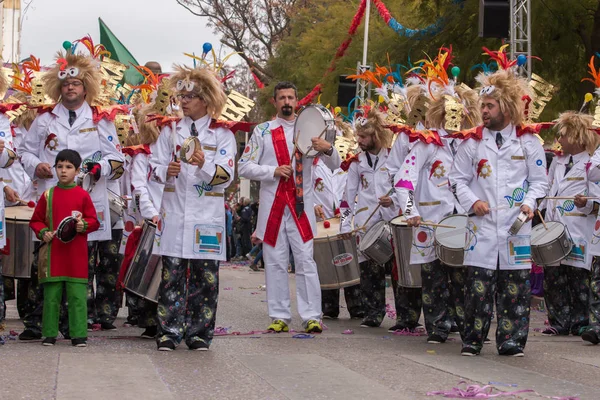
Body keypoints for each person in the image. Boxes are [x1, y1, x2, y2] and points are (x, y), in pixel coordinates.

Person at [19, 47, 125, 340]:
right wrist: (36, 164)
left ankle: (74, 322)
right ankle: (38, 322)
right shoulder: (43, 119)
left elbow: (118, 160)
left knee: (80, 264)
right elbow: (24, 151)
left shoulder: (100, 120)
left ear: (85, 87)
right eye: (65, 84)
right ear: (58, 86)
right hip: (51, 201)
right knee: (43, 262)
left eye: (75, 84)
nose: (70, 88)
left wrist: (96, 168)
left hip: (84, 201)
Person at [448, 67, 548, 357]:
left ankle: (511, 341)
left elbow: (540, 182)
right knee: (477, 289)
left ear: (506, 107)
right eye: (482, 106)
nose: (484, 111)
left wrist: (529, 204)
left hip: (516, 228)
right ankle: (473, 340)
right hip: (482, 228)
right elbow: (457, 180)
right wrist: (471, 201)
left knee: (515, 289)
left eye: (490, 106)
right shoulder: (472, 143)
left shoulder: (529, 142)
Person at [146, 64, 236, 351]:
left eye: (191, 96)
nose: (183, 101)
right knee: (171, 276)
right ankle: (168, 333)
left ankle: (199, 333)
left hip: (206, 218)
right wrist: (166, 170)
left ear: (206, 99)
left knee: (205, 279)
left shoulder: (223, 135)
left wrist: (203, 164)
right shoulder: (169, 131)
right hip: (174, 214)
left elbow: (227, 175)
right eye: (182, 96)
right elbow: (152, 166)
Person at [238, 81, 340, 333]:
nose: (286, 102)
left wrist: (327, 148)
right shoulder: (262, 131)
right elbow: (243, 166)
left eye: (291, 97)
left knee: (306, 261)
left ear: (297, 101)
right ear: (274, 102)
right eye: (282, 97)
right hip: (273, 207)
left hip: (301, 207)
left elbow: (336, 164)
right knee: (274, 262)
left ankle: (312, 316)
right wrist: (272, 170)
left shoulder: (312, 128)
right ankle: (279, 316)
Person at [395, 83, 481, 344]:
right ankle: (437, 327)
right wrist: (411, 210)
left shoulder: (473, 144)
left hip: (462, 223)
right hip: (430, 223)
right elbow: (403, 180)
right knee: (433, 278)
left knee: (462, 278)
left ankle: (465, 326)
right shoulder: (426, 144)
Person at [29, 149, 100, 347]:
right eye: (59, 166)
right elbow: (35, 220)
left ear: (77, 171)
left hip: (76, 256)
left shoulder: (83, 196)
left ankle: (78, 335)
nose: (63, 171)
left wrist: (83, 225)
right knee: (51, 297)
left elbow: (94, 221)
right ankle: (49, 334)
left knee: (78, 297)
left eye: (68, 167)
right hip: (54, 255)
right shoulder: (48, 195)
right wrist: (43, 232)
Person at [339, 108, 400, 328]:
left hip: (391, 219)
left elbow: (403, 186)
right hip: (367, 222)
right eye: (358, 136)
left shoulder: (394, 156)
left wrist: (393, 200)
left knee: (396, 271)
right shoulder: (356, 163)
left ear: (376, 136)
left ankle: (404, 317)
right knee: (369, 271)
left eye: (364, 137)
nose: (360, 141)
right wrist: (346, 223)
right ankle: (373, 313)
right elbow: (347, 197)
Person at [540, 112, 597, 337]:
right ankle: (558, 321)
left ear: (577, 137)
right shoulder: (558, 161)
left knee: (578, 276)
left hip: (579, 228)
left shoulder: (591, 162)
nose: (559, 140)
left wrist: (587, 202)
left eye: (563, 135)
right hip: (554, 226)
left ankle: (580, 320)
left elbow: (596, 196)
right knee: (554, 276)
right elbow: (547, 187)